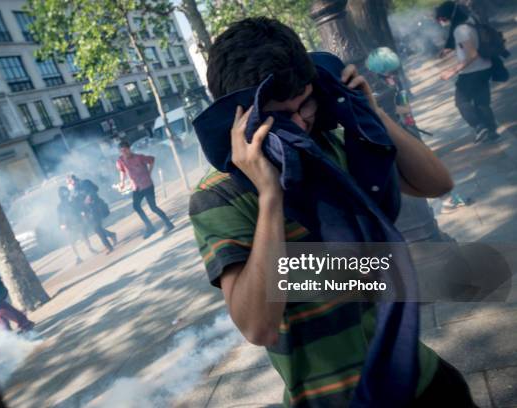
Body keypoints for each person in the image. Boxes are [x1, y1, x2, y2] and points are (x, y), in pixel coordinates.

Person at [189, 18, 475, 407]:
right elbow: (259, 326)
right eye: (279, 116)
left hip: (417, 377)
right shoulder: (218, 196)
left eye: (305, 103)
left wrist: (370, 112)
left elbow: (436, 184)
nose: (301, 123)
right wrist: (270, 196)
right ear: (239, 118)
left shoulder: (327, 146)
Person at [436, 1, 500, 143]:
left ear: (447, 16)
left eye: (442, 18)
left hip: (472, 71)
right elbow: (470, 43)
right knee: (481, 102)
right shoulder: (471, 20)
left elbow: (472, 55)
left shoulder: (460, 30)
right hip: (485, 67)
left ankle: (479, 126)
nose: (442, 22)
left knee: (461, 102)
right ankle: (492, 131)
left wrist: (452, 71)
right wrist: (450, 50)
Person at [116, 140, 174, 238]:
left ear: (129, 149)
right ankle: (150, 227)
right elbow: (122, 171)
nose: (124, 153)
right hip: (136, 187)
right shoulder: (120, 161)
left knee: (153, 207)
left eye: (125, 150)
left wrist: (149, 172)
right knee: (136, 206)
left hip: (147, 185)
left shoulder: (139, 157)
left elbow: (152, 160)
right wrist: (121, 182)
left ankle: (168, 224)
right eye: (122, 151)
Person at [66, 175, 117, 254]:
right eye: (68, 183)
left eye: (70, 181)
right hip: (88, 212)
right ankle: (111, 235)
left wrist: (90, 196)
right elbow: (77, 204)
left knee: (97, 228)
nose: (70, 184)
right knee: (97, 228)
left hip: (96, 207)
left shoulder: (85, 183)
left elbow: (95, 189)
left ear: (74, 179)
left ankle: (109, 246)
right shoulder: (74, 192)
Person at [57, 186, 98, 264]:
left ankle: (90, 248)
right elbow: (60, 216)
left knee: (84, 236)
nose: (65, 193)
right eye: (63, 192)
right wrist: (61, 224)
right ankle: (78, 257)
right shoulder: (60, 205)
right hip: (69, 225)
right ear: (60, 194)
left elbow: (79, 207)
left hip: (78, 221)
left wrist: (83, 213)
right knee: (72, 241)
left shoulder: (72, 200)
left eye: (66, 191)